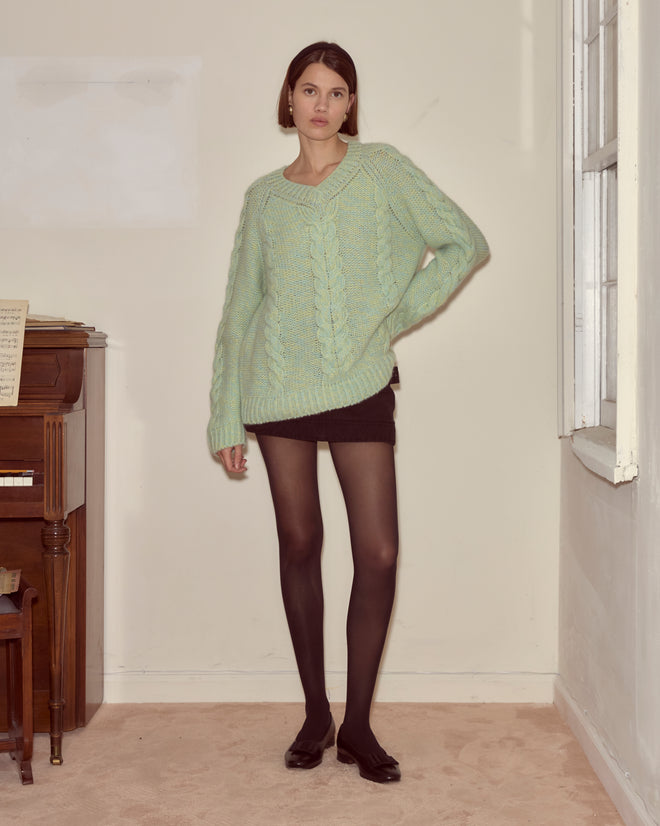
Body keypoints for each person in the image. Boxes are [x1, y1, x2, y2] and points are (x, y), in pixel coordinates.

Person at [208, 41, 489, 784]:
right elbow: (241, 309)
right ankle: (315, 713)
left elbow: (464, 243)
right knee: (299, 545)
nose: (322, 104)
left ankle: (359, 724)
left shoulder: (381, 168)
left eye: (337, 91)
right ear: (289, 99)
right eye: (309, 89)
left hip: (360, 383)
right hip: (275, 391)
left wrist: (390, 319)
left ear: (351, 104)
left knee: (380, 553)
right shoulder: (263, 197)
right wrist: (224, 414)